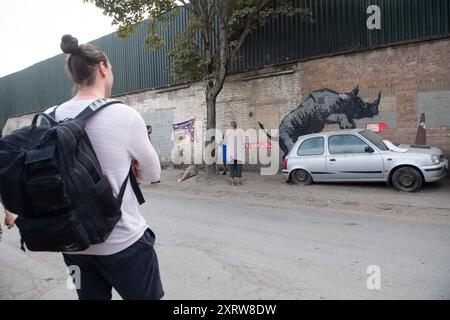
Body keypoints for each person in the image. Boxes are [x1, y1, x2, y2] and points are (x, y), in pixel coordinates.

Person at [46, 35, 164, 300]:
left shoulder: (50, 116)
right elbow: (153, 173)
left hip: (73, 246)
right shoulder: (124, 115)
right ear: (102, 67)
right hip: (123, 243)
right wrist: (130, 169)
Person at [225, 121, 245, 186]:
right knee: (239, 167)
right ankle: (238, 182)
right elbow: (243, 142)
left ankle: (233, 182)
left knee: (232, 167)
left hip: (231, 153)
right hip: (239, 153)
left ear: (231, 126)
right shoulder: (241, 131)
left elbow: (225, 143)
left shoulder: (227, 132)